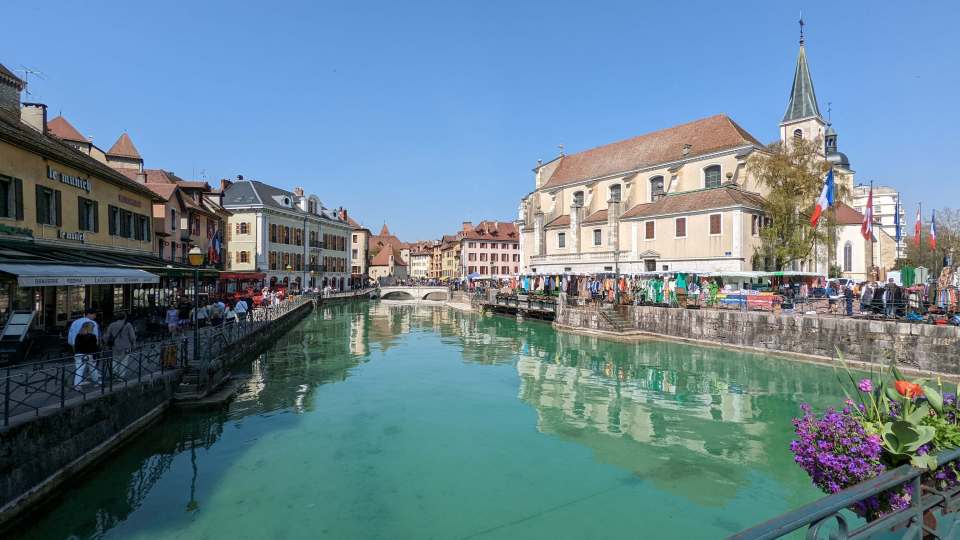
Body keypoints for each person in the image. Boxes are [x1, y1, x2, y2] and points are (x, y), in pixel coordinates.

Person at [105, 314, 137, 378]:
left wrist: (106, 344)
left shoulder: (112, 324)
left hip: (114, 345)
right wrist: (134, 344)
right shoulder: (128, 325)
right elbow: (132, 336)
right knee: (124, 361)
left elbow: (107, 336)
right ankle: (121, 376)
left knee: (114, 360)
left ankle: (114, 374)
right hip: (126, 346)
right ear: (124, 318)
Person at [73, 321, 100, 388]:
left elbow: (76, 346)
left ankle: (77, 385)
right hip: (89, 354)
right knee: (93, 369)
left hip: (78, 354)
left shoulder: (78, 335)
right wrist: (94, 356)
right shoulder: (92, 336)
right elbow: (94, 348)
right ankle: (96, 382)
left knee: (79, 370)